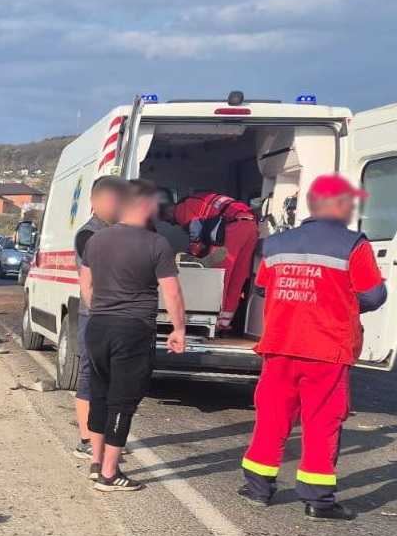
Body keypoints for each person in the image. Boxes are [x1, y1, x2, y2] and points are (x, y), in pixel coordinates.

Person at [240, 174, 387, 520]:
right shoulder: (354, 245)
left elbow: (263, 288)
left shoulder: (276, 244)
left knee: (271, 417)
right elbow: (373, 295)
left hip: (280, 345)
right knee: (322, 422)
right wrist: (336, 300)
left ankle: (258, 488)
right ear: (337, 205)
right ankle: (318, 500)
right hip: (327, 349)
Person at [80, 180, 187, 491]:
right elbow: (173, 293)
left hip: (99, 326)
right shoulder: (156, 244)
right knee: (123, 401)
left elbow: (86, 285)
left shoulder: (96, 241)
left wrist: (101, 308)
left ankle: (96, 462)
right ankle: (110, 474)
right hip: (133, 328)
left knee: (99, 395)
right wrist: (178, 329)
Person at [72, 176, 128, 462]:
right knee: (89, 376)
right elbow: (94, 279)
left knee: (109, 379)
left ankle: (102, 436)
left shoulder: (118, 231)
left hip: (114, 315)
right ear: (94, 202)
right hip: (94, 316)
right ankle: (85, 439)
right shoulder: (89, 234)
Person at [158, 190, 260, 333]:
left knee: (220, 276)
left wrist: (193, 256)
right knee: (238, 277)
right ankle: (225, 322)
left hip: (232, 228)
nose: (173, 223)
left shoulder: (181, 208)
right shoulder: (197, 200)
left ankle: (216, 321)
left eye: (168, 219)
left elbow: (195, 230)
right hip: (251, 226)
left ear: (170, 208)